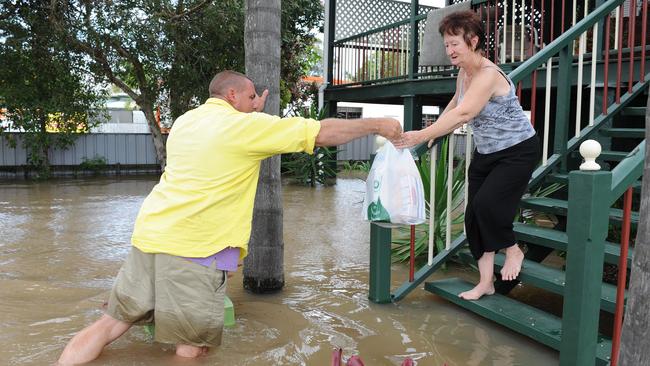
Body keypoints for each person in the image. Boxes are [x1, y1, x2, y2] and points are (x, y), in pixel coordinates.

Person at [57, 70, 402, 364]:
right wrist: (376, 124)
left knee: (111, 324)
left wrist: (252, 115)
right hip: (194, 249)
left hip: (150, 237)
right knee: (191, 347)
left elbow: (228, 148)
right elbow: (318, 133)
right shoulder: (244, 128)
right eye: (252, 97)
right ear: (232, 95)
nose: (256, 103)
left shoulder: (185, 121)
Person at [394, 11, 540, 300]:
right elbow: (455, 103)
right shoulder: (465, 72)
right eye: (446, 45)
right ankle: (486, 282)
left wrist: (421, 135)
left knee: (487, 205)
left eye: (454, 45)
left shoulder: (487, 75)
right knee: (473, 216)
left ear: (472, 41)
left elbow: (465, 113)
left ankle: (512, 250)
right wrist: (433, 130)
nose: (449, 51)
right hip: (486, 151)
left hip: (517, 151)